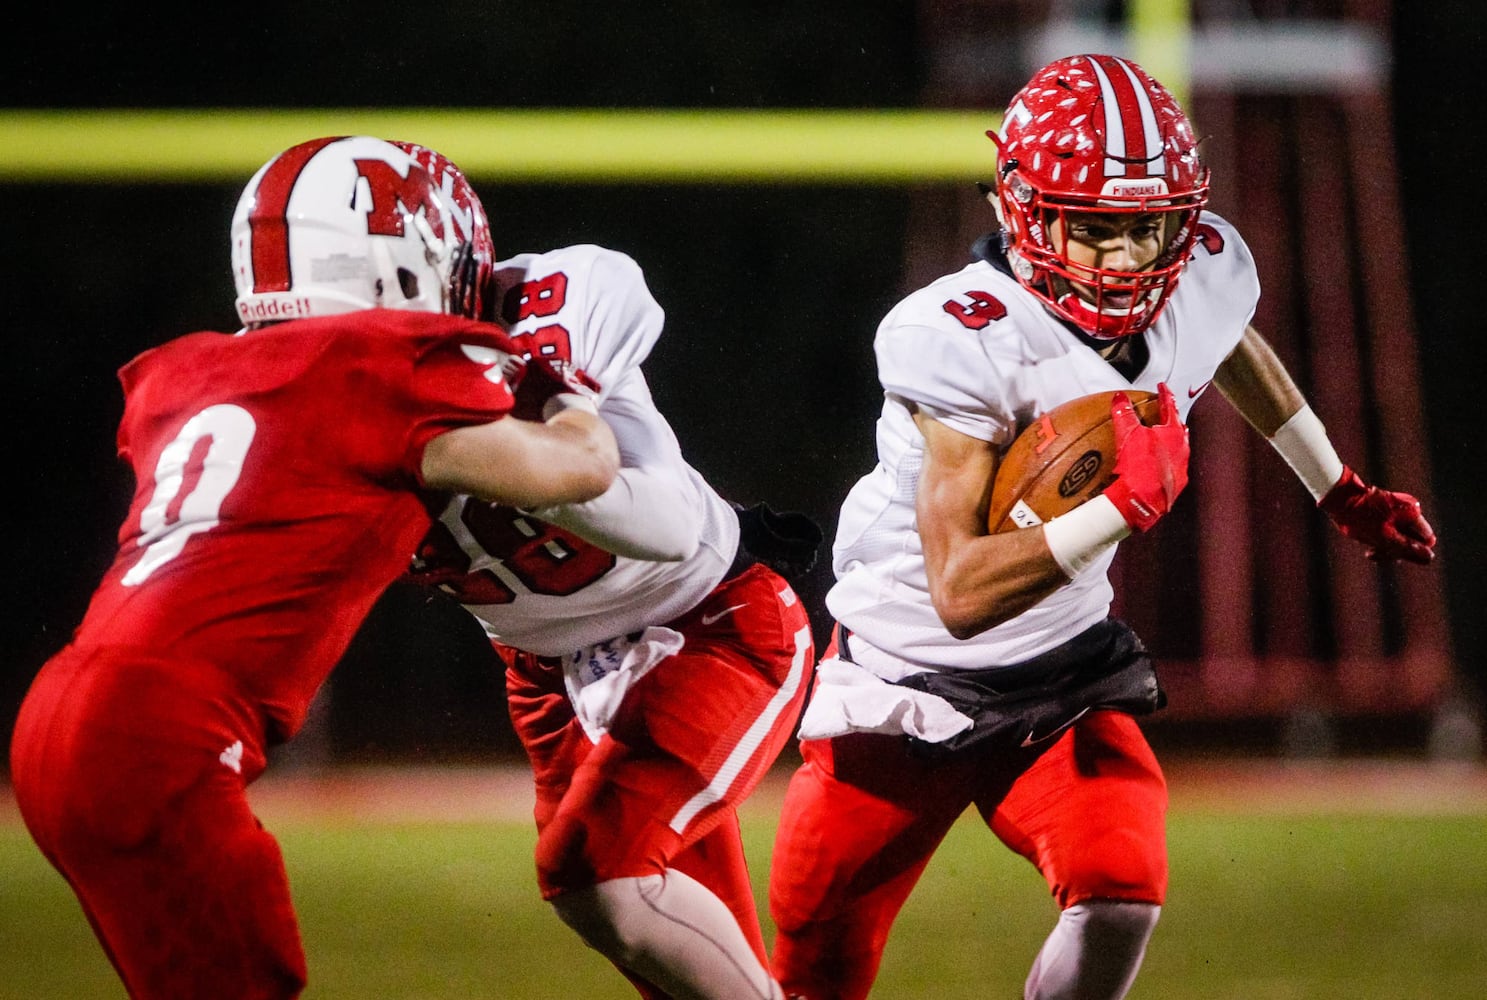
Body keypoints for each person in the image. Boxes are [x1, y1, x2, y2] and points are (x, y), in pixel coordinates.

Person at [767, 53, 1437, 1000]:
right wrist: (1115, 509)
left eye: (1151, 229)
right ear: (1019, 213)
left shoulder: (1193, 272)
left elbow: (1226, 341)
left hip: (1060, 679)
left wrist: (1335, 485)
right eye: (1094, 231)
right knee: (809, 972)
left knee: (1121, 892)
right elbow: (958, 591)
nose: (1128, 261)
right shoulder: (959, 336)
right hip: (899, 686)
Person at [7, 135, 620, 1000]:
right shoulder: (375, 367)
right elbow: (580, 471)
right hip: (159, 732)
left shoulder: (182, 370)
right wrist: (568, 384)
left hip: (58, 713)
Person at [398, 146, 820, 1000]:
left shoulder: (553, 303)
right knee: (672, 961)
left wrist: (482, 456)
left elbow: (663, 523)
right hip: (542, 675)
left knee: (599, 874)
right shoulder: (308, 411)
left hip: (710, 622)